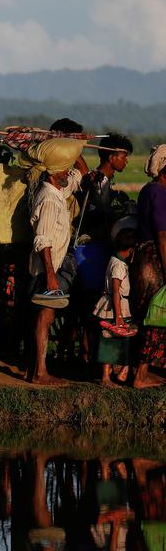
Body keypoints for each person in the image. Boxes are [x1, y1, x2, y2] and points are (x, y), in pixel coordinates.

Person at [28, 157, 83, 385]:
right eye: (63, 168)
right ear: (52, 173)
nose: (67, 172)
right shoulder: (49, 198)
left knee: (45, 317)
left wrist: (73, 147)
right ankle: (40, 372)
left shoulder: (58, 191)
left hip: (53, 265)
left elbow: (80, 172)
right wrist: (51, 275)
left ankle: (36, 370)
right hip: (46, 268)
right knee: (45, 317)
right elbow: (43, 240)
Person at [131, 145, 166, 388]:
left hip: (143, 259)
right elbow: (163, 235)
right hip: (154, 261)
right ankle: (141, 375)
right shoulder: (159, 193)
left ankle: (139, 371)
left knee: (148, 315)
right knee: (156, 316)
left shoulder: (148, 190)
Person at [95, 228, 137, 385]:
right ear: (131, 249)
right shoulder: (118, 265)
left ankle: (115, 372)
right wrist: (118, 315)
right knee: (110, 340)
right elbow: (116, 290)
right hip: (115, 307)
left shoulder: (114, 261)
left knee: (113, 339)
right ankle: (106, 377)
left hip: (115, 305)